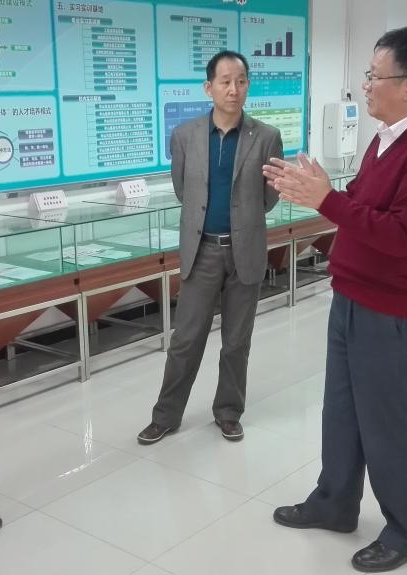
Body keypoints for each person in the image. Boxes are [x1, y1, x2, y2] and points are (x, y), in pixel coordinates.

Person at [263, 27, 407, 572]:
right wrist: (323, 191)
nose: (366, 86)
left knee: (392, 423)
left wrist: (328, 201)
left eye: (374, 76)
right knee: (343, 411)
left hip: (394, 309)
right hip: (353, 294)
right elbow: (362, 204)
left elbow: (402, 234)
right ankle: (335, 502)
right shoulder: (387, 137)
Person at [137, 50, 284, 445]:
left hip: (245, 250)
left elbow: (269, 196)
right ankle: (166, 416)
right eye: (225, 81)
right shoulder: (185, 135)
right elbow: (183, 190)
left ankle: (229, 412)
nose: (234, 89)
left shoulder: (266, 136)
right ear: (209, 87)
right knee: (185, 340)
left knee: (237, 341)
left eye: (241, 81)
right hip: (201, 250)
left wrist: (242, 219)